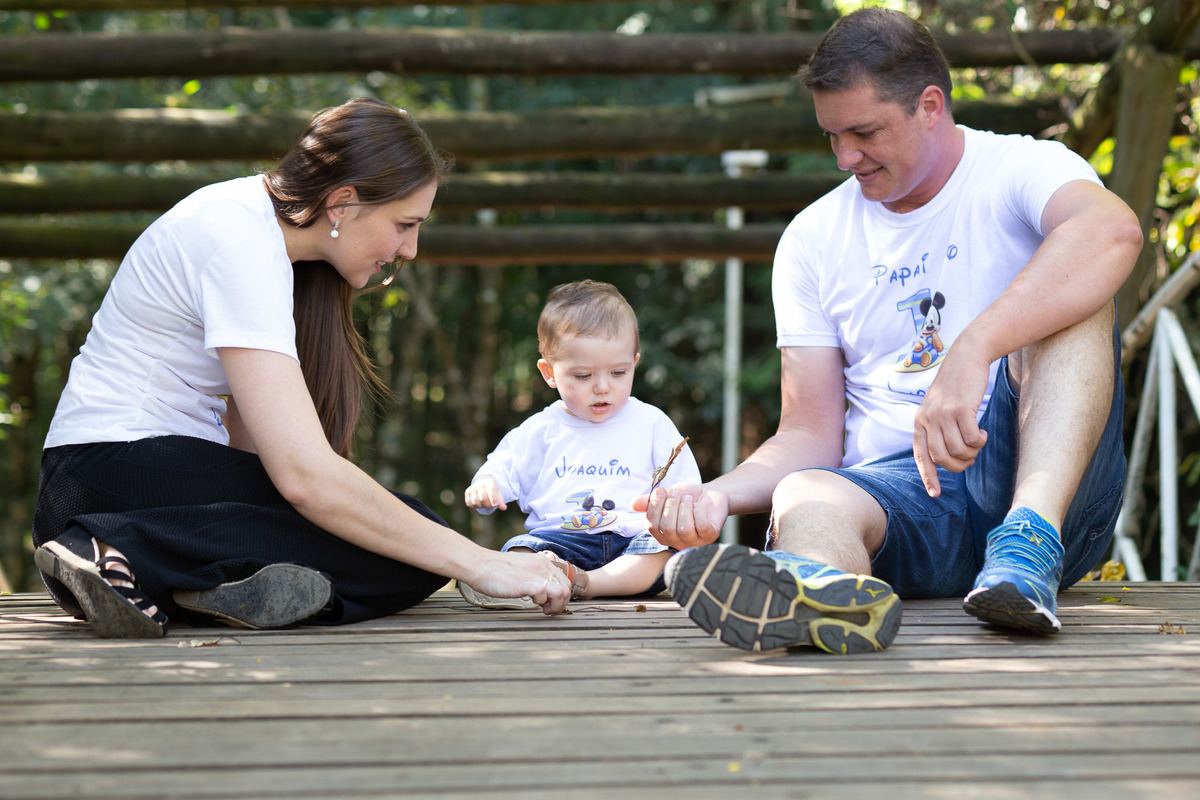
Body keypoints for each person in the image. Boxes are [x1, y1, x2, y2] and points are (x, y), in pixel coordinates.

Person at [638, 8, 1141, 654]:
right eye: (831, 136)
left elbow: (1114, 232)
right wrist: (715, 497)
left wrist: (975, 346)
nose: (846, 157)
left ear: (930, 106)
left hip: (1044, 486)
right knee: (804, 492)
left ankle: (1026, 544)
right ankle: (823, 594)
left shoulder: (1023, 168)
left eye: (864, 132)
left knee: (1080, 287)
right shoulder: (811, 240)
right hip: (902, 500)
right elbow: (808, 434)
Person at [32, 97, 572, 639]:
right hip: (113, 474)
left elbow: (252, 444)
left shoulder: (273, 247)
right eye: (405, 224)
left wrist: (260, 529)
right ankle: (118, 548)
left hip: (136, 485)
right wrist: (484, 563)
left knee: (402, 540)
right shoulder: (239, 237)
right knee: (419, 545)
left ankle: (180, 578)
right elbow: (304, 479)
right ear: (342, 203)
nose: (410, 248)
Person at [458, 280, 700, 609]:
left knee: (660, 553)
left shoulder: (651, 422)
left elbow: (685, 484)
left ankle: (585, 583)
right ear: (550, 373)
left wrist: (677, 510)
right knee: (521, 549)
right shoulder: (540, 430)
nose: (603, 387)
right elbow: (503, 466)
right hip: (557, 540)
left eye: (618, 372)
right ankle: (515, 581)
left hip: (630, 540)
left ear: (635, 362)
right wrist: (487, 484)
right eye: (583, 376)